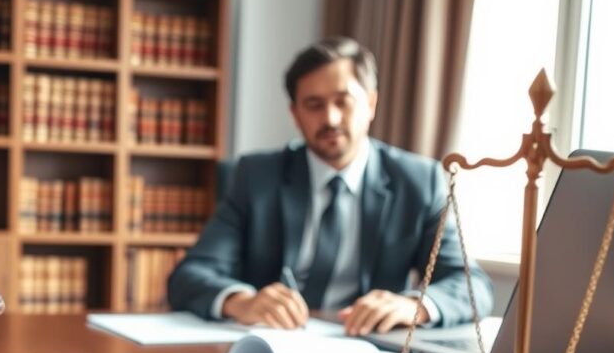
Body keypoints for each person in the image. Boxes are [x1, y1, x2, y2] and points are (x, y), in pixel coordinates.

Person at [167, 36, 493, 335]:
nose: (331, 119)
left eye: (343, 101)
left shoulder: (419, 181)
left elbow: (472, 286)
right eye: (314, 105)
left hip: (368, 348)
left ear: (371, 104)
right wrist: (241, 302)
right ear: (295, 114)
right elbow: (189, 276)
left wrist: (414, 306)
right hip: (270, 343)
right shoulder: (256, 176)